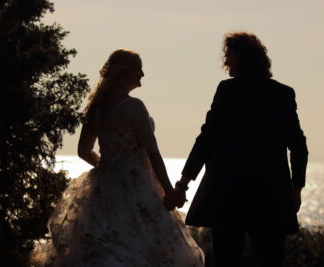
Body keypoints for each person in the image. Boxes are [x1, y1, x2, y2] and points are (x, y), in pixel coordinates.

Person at [31, 49, 204, 266]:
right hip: (137, 187)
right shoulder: (134, 107)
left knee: (105, 246)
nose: (142, 74)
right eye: (138, 68)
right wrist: (169, 191)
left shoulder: (97, 107)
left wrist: (107, 167)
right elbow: (153, 153)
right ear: (125, 73)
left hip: (103, 188)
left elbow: (84, 150)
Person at [174, 32, 309, 266]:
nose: (226, 62)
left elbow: (207, 138)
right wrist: (296, 189)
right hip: (271, 193)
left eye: (229, 56)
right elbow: (298, 145)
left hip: (228, 194)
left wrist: (183, 183)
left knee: (226, 258)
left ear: (241, 58)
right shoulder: (283, 93)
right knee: (271, 259)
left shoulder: (228, 90)